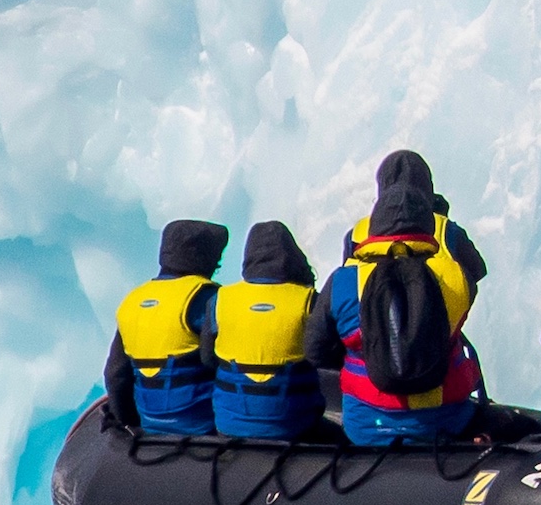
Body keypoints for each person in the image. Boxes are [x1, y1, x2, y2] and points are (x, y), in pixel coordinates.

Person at [317, 149, 491, 446]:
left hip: (364, 414)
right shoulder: (448, 236)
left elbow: (321, 344)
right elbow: (477, 271)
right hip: (443, 413)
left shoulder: (357, 233)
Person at [102, 220, 228, 437]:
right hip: (204, 427)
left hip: (150, 425)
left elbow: (115, 375)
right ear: (206, 259)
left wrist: (129, 424)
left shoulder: (133, 301)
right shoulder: (209, 298)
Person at [210, 220, 327, 442]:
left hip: (228, 426)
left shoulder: (220, 299)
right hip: (296, 425)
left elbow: (208, 359)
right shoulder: (309, 299)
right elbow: (322, 355)